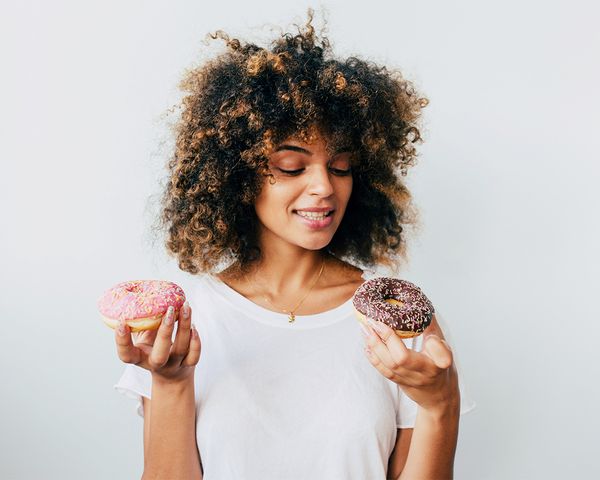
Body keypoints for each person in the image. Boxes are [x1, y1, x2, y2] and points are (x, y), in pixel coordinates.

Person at [114, 10, 475, 480]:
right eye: (291, 166)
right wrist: (171, 381)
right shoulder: (185, 324)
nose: (325, 186)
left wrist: (441, 404)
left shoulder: (395, 320)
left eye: (341, 166)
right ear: (237, 175)